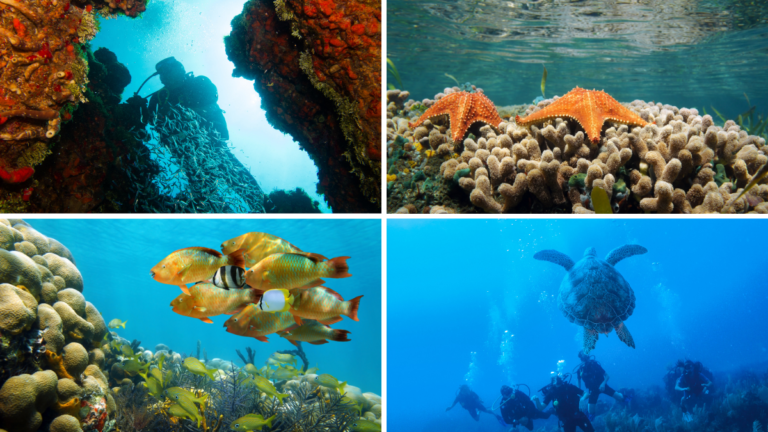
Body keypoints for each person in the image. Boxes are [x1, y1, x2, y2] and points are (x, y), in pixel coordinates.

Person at [576, 351, 629, 420]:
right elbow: (578, 383)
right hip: (593, 390)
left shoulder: (595, 365)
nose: (585, 359)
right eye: (583, 357)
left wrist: (603, 384)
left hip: (603, 387)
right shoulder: (580, 370)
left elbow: (607, 376)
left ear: (588, 356)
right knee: (590, 412)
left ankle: (628, 397)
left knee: (620, 398)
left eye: (586, 356)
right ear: (581, 359)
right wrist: (579, 395)